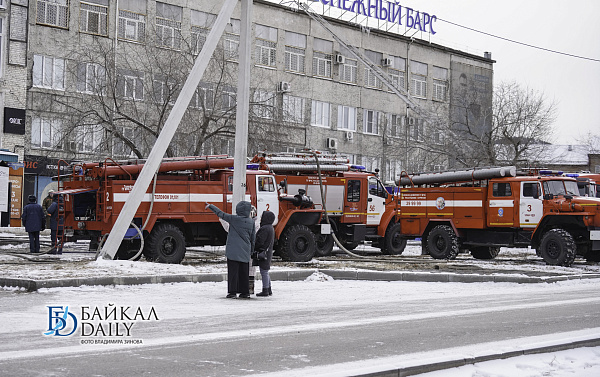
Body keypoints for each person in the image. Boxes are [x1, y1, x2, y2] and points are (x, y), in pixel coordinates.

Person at [205, 201, 256, 299]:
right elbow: (253, 238)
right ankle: (245, 292)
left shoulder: (234, 219)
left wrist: (211, 206)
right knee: (244, 272)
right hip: (245, 251)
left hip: (233, 251)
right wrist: (251, 251)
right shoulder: (251, 222)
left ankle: (232, 292)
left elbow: (221, 214)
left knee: (233, 272)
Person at [254, 210, 275, 297]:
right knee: (265, 271)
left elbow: (260, 241)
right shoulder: (270, 227)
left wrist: (255, 247)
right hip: (268, 252)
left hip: (263, 252)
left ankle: (265, 290)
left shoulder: (264, 228)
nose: (261, 218)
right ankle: (268, 289)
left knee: (264, 272)